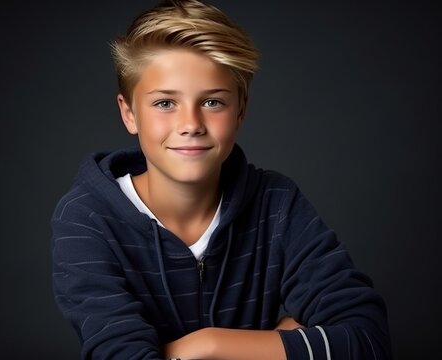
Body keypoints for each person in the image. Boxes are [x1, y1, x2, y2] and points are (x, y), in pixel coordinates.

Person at [51, 1, 392, 359]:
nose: (191, 124)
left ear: (240, 110)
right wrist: (275, 344)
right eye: (165, 103)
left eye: (212, 102)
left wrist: (208, 343)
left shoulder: (276, 203)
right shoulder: (87, 219)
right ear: (129, 113)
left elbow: (367, 341)